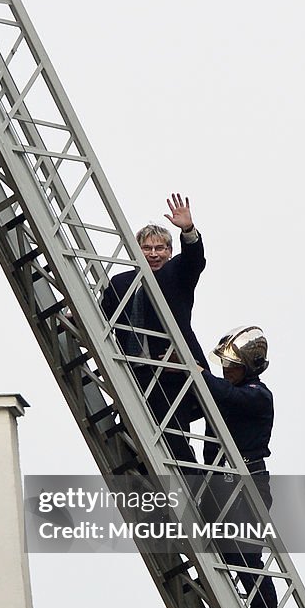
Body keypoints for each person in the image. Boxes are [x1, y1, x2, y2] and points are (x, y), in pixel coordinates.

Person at [100, 194, 207, 463]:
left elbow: (194, 260)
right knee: (132, 443)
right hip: (133, 373)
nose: (154, 254)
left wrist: (188, 230)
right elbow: (103, 316)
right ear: (136, 250)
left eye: (160, 248)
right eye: (147, 248)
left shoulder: (176, 274)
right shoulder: (120, 283)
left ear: (170, 252)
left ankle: (193, 493)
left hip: (170, 370)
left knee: (175, 442)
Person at [200, 326, 280, 608]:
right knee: (220, 555)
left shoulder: (258, 396)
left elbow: (225, 394)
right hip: (220, 482)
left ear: (248, 368)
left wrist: (199, 373)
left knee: (245, 556)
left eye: (232, 365)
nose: (225, 369)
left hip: (249, 484)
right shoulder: (227, 394)